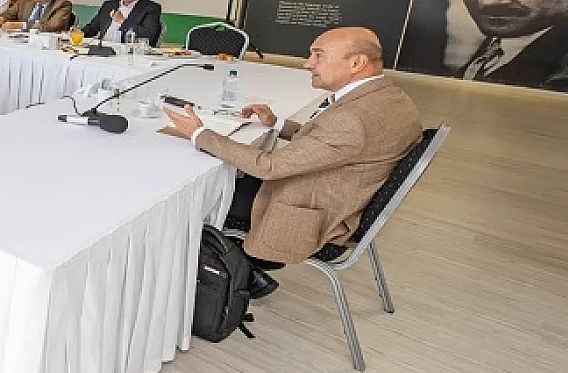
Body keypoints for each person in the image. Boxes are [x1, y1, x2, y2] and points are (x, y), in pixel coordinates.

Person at [165, 27, 423, 297]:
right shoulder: (389, 97)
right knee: (229, 178)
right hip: (340, 196)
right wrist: (277, 124)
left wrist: (199, 134)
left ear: (357, 63)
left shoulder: (351, 120)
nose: (307, 64)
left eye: (319, 56)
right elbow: (331, 144)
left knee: (200, 196)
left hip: (312, 215)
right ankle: (247, 273)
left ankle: (224, 278)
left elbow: (269, 166)